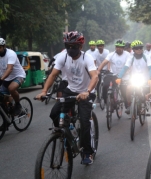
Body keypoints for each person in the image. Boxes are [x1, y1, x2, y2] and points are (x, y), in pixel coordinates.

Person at [36, 31, 98, 165]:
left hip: (86, 92)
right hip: (70, 90)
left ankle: (88, 152)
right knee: (54, 113)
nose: (70, 49)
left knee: (84, 120)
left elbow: (95, 76)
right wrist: (44, 91)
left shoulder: (86, 58)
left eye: (73, 46)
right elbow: (52, 75)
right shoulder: (62, 57)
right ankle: (68, 131)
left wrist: (87, 91)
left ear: (80, 47)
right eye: (68, 46)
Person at [117, 40, 151, 114]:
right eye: (137, 48)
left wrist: (150, 78)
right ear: (133, 50)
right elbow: (125, 68)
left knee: (147, 95)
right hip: (134, 79)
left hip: (145, 79)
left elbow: (150, 68)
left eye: (140, 48)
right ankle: (129, 104)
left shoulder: (146, 57)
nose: (139, 50)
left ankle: (144, 105)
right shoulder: (131, 58)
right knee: (128, 88)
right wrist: (119, 77)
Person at [97, 39, 131, 107]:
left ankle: (127, 105)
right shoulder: (111, 54)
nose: (118, 48)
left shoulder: (127, 55)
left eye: (120, 47)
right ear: (115, 47)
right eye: (117, 47)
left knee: (124, 92)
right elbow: (104, 62)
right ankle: (107, 101)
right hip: (113, 75)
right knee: (105, 85)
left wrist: (126, 73)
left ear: (123, 48)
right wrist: (98, 70)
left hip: (124, 76)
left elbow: (129, 65)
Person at [0, 38, 26, 115]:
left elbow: (9, 69)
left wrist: (1, 79)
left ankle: (18, 104)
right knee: (2, 97)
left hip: (18, 75)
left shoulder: (11, 54)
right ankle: (7, 116)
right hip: (6, 77)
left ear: (4, 46)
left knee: (11, 88)